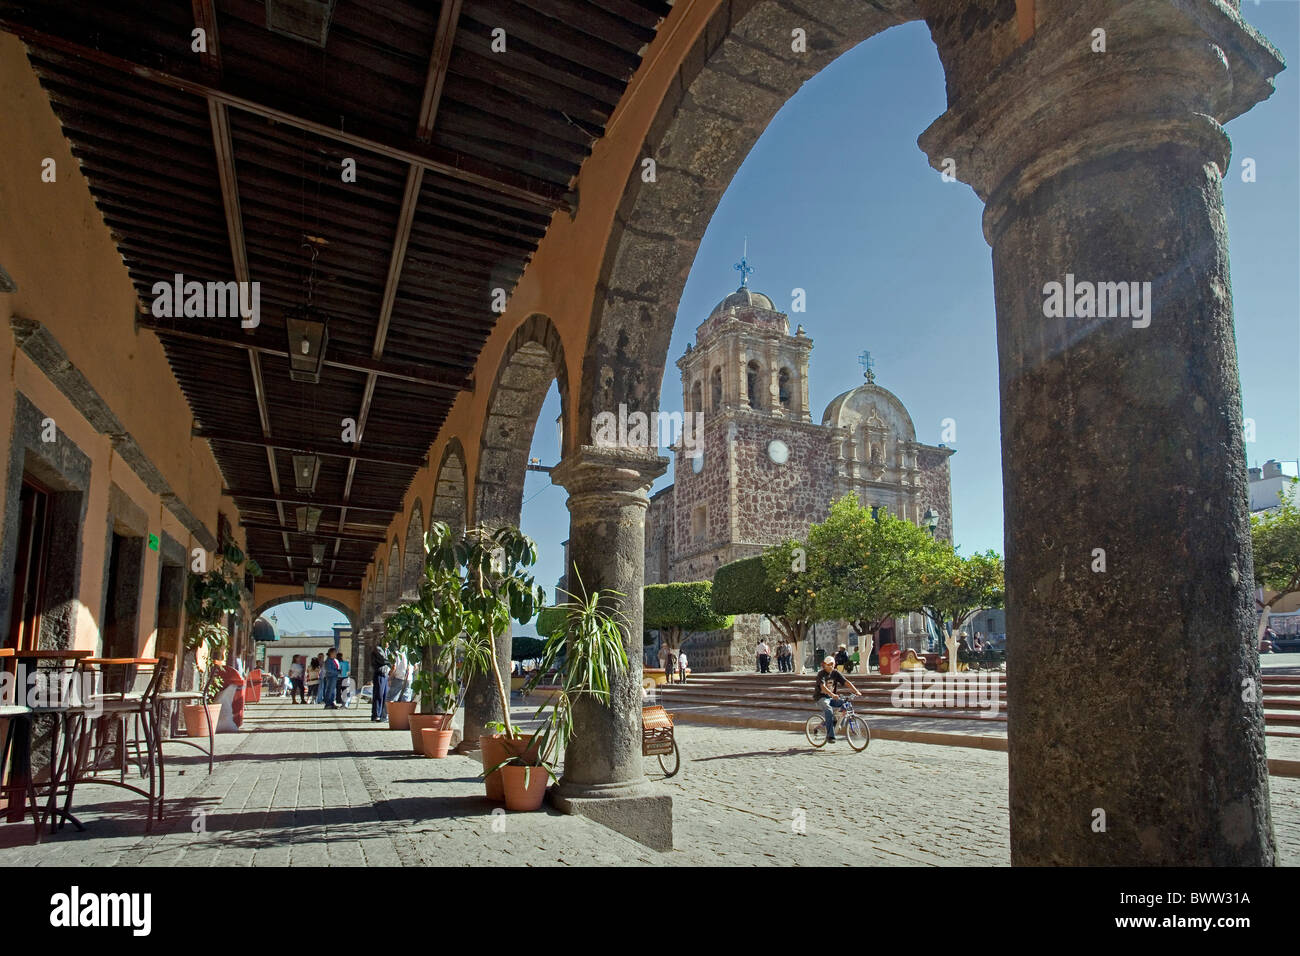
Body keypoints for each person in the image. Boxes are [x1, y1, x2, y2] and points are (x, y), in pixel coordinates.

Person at [814, 655, 861, 743]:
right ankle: (830, 736)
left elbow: (846, 682)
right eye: (828, 664)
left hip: (832, 697)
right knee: (829, 710)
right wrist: (832, 694)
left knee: (845, 704)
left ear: (834, 664)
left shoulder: (836, 673)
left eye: (831, 664)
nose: (830, 666)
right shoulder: (821, 674)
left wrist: (856, 691)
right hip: (821, 697)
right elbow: (823, 687)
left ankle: (834, 722)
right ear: (824, 665)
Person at [371, 644, 389, 722]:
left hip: (385, 674)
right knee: (379, 694)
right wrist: (391, 661)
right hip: (380, 673)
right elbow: (383, 660)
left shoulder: (387, 650)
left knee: (385, 695)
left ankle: (382, 714)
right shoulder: (378, 649)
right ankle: (376, 714)